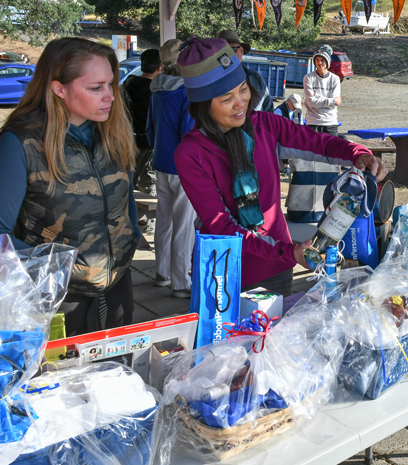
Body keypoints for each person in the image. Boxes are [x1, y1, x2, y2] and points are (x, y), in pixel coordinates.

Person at [174, 38, 386, 295]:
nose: (240, 102)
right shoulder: (191, 153)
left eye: (243, 89)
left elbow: (320, 144)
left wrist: (359, 154)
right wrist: (285, 251)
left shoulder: (265, 125)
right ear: (203, 105)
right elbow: (221, 224)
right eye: (226, 98)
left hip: (278, 266)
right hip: (225, 273)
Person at [0, 37, 139, 336]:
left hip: (117, 290)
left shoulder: (114, 132)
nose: (111, 96)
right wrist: (60, 266)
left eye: (111, 85)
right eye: (96, 87)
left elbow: (124, 200)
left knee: (118, 379)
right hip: (55, 300)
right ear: (59, 88)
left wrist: (131, 238)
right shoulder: (21, 144)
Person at [147, 39, 197, 299]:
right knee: (184, 224)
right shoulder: (185, 91)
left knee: (164, 220)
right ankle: (181, 281)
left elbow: (150, 129)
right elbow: (188, 133)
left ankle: (162, 272)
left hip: (160, 162)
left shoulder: (156, 89)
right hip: (182, 166)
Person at [122, 48, 160, 197]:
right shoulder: (155, 92)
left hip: (128, 142)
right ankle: (147, 221)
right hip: (148, 144)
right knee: (148, 184)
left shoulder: (127, 85)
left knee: (129, 184)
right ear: (159, 68)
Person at [217, 30, 273, 112]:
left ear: (241, 50)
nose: (227, 56)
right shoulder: (210, 81)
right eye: (222, 52)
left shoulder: (255, 79)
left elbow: (269, 111)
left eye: (232, 50)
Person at [303, 45, 341, 136]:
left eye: (322, 60)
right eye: (317, 60)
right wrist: (331, 101)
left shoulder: (335, 79)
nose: (319, 63)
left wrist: (317, 96)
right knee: (312, 150)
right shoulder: (308, 78)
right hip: (313, 123)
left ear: (327, 61)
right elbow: (311, 102)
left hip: (330, 123)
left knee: (332, 150)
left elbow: (337, 103)